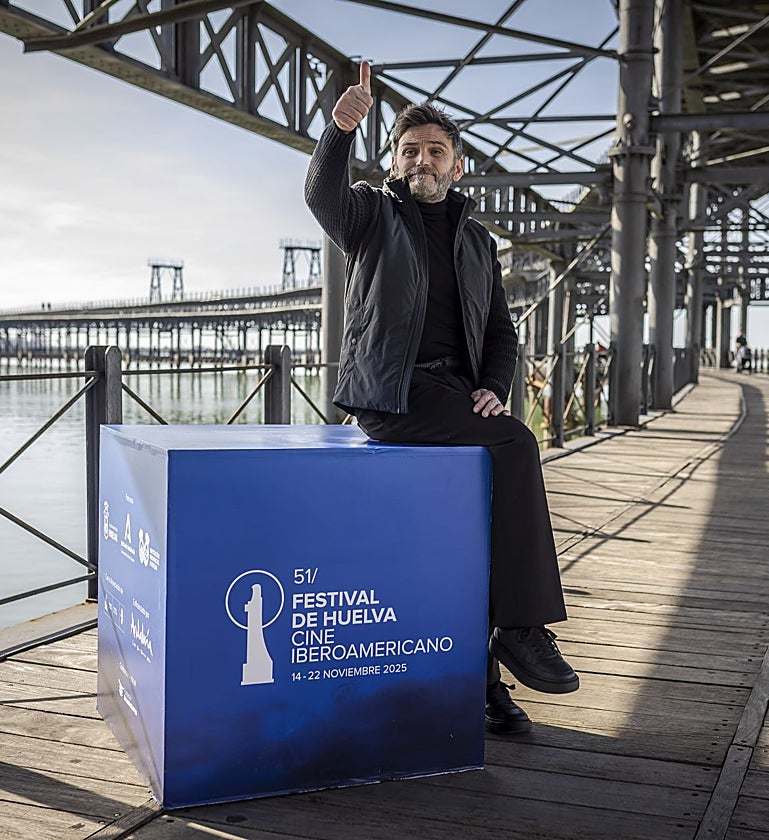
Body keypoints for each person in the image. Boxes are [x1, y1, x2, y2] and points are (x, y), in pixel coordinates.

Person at [305, 62, 579, 736]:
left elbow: (501, 333)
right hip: (392, 399)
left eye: (436, 151)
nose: (422, 160)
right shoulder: (370, 213)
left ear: (456, 167)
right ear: (394, 164)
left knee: (474, 538)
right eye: (409, 150)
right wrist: (339, 132)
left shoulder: (479, 242)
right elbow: (320, 196)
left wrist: (492, 386)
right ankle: (520, 630)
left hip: (456, 400)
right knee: (517, 442)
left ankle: (482, 681)